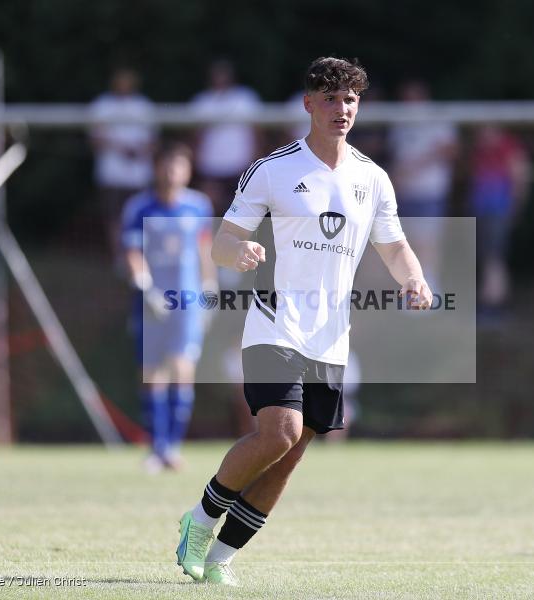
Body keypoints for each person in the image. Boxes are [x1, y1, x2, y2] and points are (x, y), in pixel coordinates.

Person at [174, 57, 433, 586]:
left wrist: (414, 279)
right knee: (279, 432)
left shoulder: (373, 178)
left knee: (290, 456)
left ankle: (221, 557)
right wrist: (237, 251)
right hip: (275, 321)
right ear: (309, 104)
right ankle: (199, 521)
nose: (343, 110)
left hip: (331, 336)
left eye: (351, 101)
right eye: (332, 99)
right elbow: (221, 242)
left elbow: (395, 245)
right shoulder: (274, 169)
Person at [121, 143, 216, 472]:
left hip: (187, 303)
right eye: (167, 164)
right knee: (152, 374)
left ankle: (172, 447)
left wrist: (209, 287)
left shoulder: (199, 206)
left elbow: (205, 251)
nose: (172, 171)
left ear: (187, 170)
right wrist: (147, 288)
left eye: (179, 165)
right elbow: (133, 252)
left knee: (182, 369)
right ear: (157, 168)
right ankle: (156, 447)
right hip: (151, 304)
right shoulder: (139, 207)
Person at [388, 79, 459, 291]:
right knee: (405, 243)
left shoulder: (437, 117)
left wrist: (417, 165)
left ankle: (430, 289)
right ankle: (410, 288)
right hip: (404, 193)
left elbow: (450, 150)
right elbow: (397, 155)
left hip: (429, 192)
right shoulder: (400, 122)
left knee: (428, 242)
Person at [90, 67, 157, 267]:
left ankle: (142, 258)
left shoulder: (144, 106)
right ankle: (120, 259)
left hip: (138, 176)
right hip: (111, 175)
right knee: (114, 218)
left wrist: (138, 151)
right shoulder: (102, 105)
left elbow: (153, 140)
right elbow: (95, 138)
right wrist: (121, 148)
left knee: (141, 218)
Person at [468, 124, 530, 316]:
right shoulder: (479, 149)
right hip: (482, 210)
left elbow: (520, 176)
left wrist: (515, 207)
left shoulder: (508, 146)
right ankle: (490, 299)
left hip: (498, 210)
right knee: (488, 256)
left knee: (494, 257)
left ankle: (493, 303)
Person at [190, 59, 262, 216]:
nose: (220, 78)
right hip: (209, 168)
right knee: (210, 211)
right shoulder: (202, 101)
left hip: (240, 167)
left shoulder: (246, 98)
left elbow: (257, 133)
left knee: (240, 213)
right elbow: (194, 137)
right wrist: (196, 165)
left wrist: (254, 163)